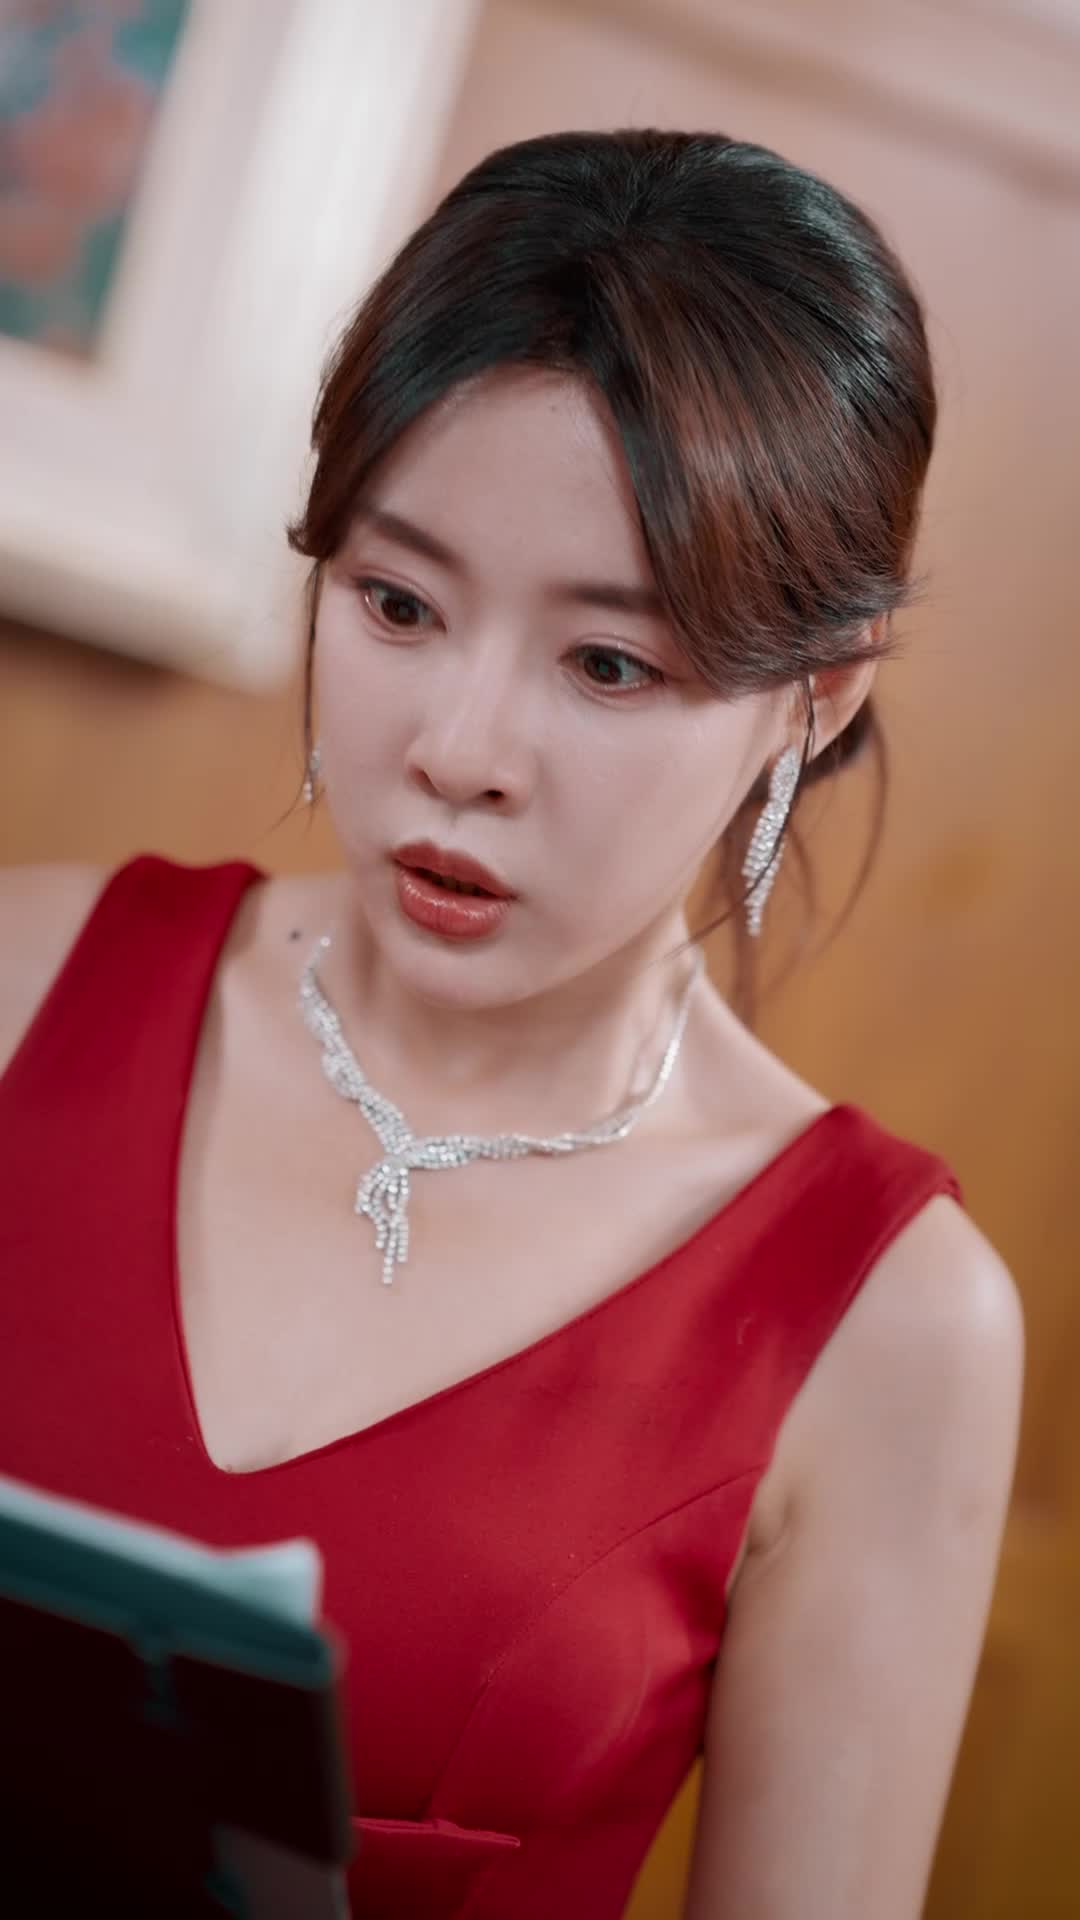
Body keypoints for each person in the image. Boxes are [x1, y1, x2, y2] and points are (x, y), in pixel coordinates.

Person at [0, 129, 1024, 1919]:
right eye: (397, 604)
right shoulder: (23, 980)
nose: (459, 751)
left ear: (818, 691)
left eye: (608, 664)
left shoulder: (888, 1321)